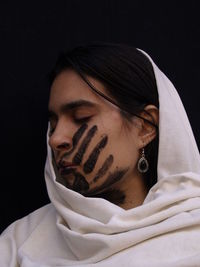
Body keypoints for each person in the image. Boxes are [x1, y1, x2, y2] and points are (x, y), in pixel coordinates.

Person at [1, 43, 200, 267]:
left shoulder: (194, 234)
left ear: (145, 126)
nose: (55, 139)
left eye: (81, 117)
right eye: (53, 123)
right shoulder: (19, 242)